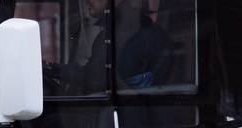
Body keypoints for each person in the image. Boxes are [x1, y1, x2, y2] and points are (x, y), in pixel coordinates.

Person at [43, 0, 171, 95]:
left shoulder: (133, 34)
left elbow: (96, 78)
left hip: (131, 124)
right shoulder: (113, 30)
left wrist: (50, 68)